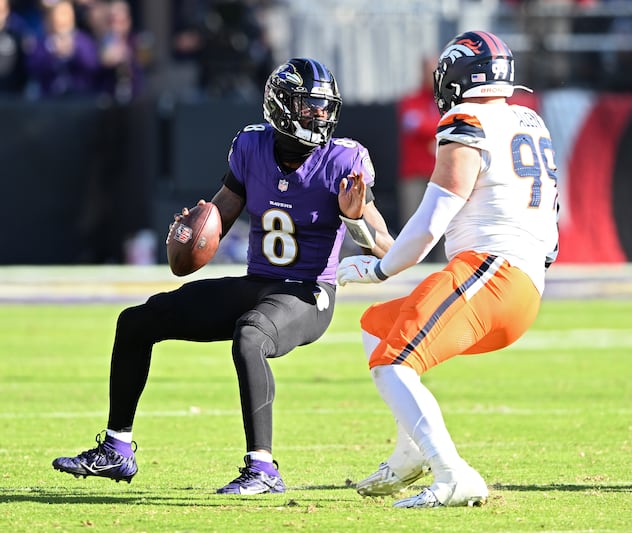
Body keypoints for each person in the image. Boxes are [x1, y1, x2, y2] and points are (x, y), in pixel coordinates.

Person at [52, 57, 393, 495]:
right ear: (282, 105)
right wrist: (189, 235)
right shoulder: (251, 147)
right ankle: (117, 450)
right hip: (258, 284)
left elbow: (386, 245)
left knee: (251, 335)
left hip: (309, 293)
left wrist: (357, 219)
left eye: (324, 108)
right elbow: (215, 222)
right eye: (309, 107)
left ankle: (263, 469)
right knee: (136, 321)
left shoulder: (343, 160)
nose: (319, 116)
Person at [337, 30, 560, 508]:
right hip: (522, 281)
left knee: (392, 361)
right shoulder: (528, 119)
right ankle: (409, 450)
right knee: (378, 327)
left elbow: (428, 227)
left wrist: (379, 269)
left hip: (492, 272)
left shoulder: (467, 119)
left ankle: (452, 473)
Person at [396, 55, 444, 262]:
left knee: (445, 225)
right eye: (428, 70)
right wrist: (442, 131)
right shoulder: (410, 100)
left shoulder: (446, 101)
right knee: (413, 226)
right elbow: (414, 123)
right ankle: (408, 268)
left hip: (441, 174)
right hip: (415, 175)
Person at [26, 0, 99, 98]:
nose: (62, 19)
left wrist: (74, 52)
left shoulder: (83, 41)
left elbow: (92, 65)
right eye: (57, 14)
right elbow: (33, 68)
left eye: (65, 13)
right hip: (49, 100)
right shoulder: (42, 43)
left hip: (80, 99)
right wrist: (51, 54)